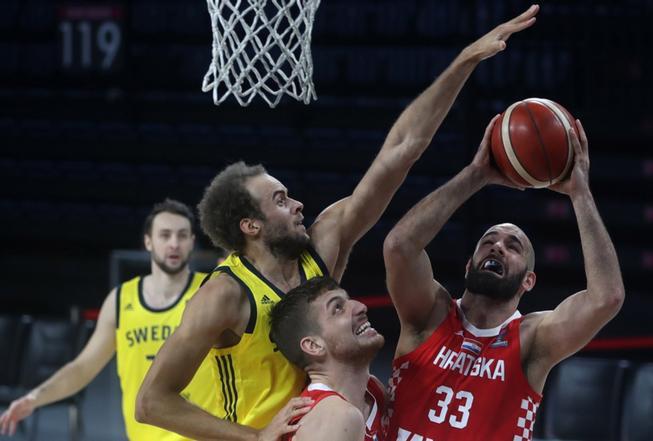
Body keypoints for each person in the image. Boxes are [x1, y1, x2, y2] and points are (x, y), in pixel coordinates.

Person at [135, 5, 540, 440]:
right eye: (280, 200)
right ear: (250, 225)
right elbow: (151, 402)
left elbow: (399, 151)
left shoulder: (320, 247)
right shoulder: (223, 295)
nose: (298, 204)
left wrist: (464, 62)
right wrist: (253, 438)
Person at [381, 113, 625, 440]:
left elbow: (606, 298)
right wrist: (475, 175)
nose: (497, 247)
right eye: (488, 241)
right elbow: (399, 247)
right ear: (469, 265)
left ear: (529, 280)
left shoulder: (531, 340)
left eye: (513, 246)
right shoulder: (430, 314)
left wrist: (580, 194)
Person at [0, 199, 222, 440]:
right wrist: (36, 397)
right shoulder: (120, 300)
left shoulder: (211, 291)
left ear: (191, 242)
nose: (174, 244)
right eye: (165, 235)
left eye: (182, 235)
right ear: (148, 241)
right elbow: (83, 367)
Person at [269, 276, 386, 441]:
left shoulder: (374, 391)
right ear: (314, 345)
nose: (361, 307)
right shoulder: (336, 418)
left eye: (349, 300)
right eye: (338, 308)